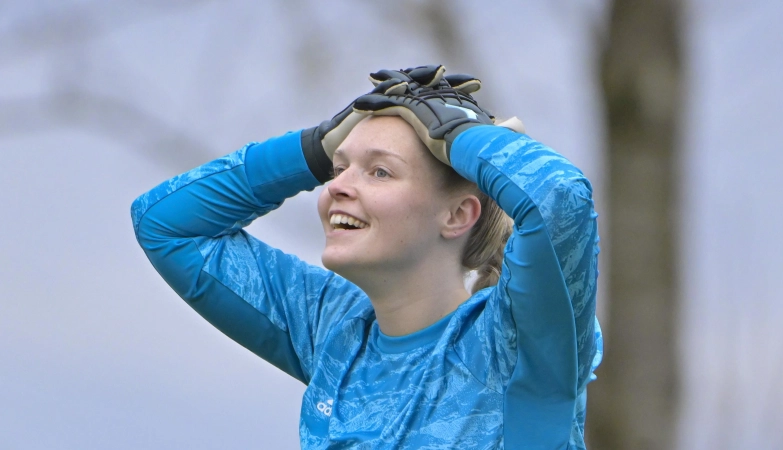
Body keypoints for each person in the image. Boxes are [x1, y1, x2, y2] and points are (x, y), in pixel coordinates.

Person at [131, 65, 603, 449]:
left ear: (458, 215)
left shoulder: (518, 340)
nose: (336, 186)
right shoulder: (333, 328)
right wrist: (314, 148)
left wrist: (459, 133)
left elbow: (558, 198)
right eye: (337, 168)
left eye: (379, 172)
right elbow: (164, 225)